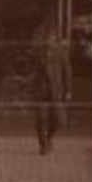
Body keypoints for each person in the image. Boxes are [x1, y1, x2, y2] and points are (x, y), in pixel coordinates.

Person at [31, 15, 73, 155]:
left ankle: (49, 139)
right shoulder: (38, 52)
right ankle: (43, 145)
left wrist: (68, 90)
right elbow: (32, 70)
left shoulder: (61, 52)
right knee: (41, 117)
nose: (49, 40)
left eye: (51, 37)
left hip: (56, 90)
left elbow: (67, 70)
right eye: (46, 37)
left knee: (55, 118)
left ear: (55, 37)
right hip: (41, 89)